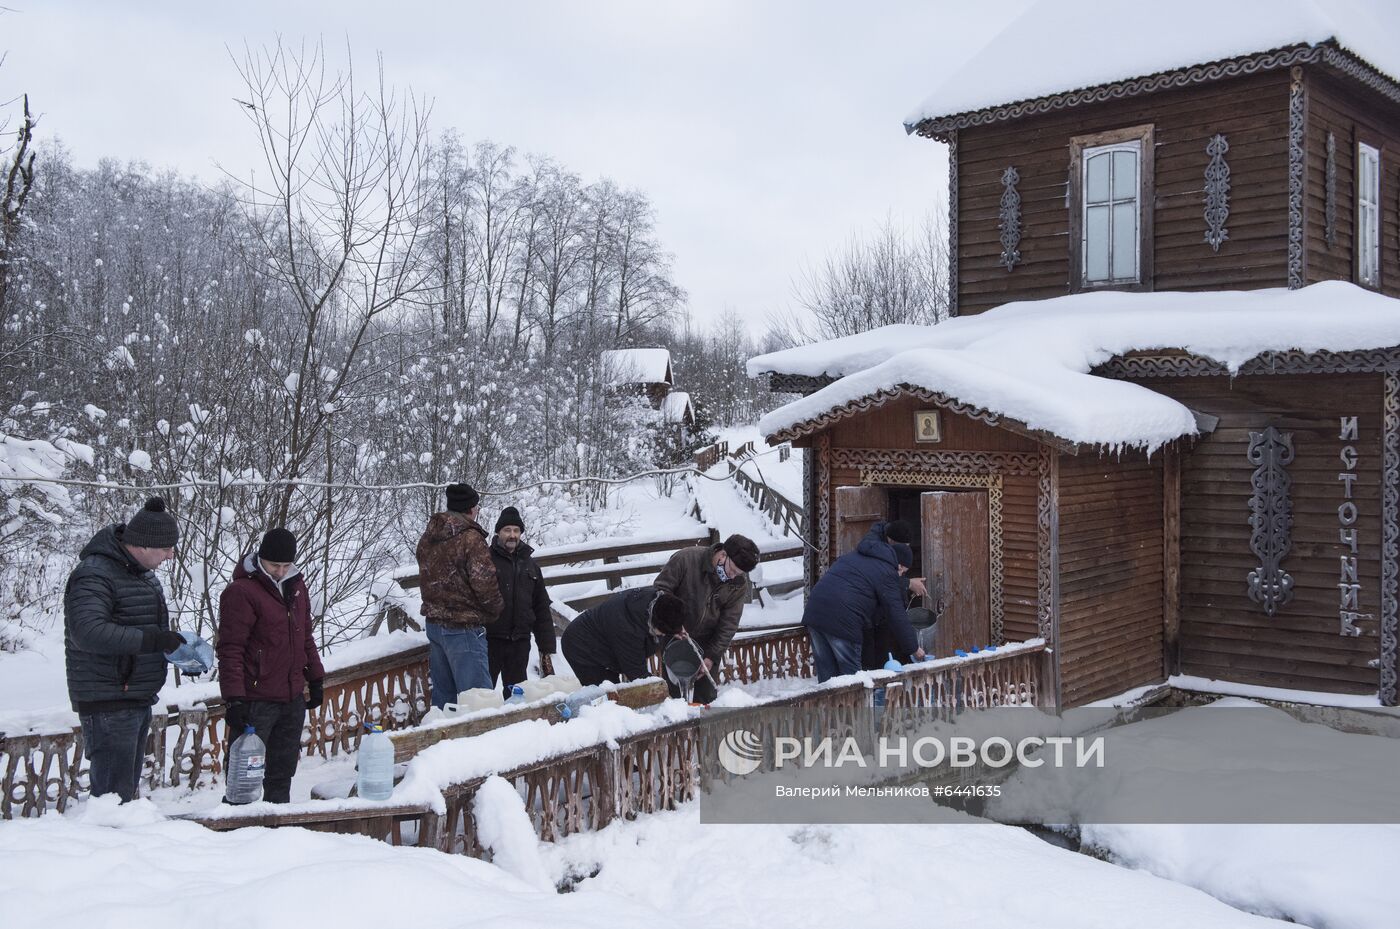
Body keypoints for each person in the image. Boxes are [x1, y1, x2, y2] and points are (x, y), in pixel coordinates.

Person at [63, 496, 185, 802]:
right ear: (143, 545)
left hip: (133, 697)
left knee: (125, 796)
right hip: (108, 701)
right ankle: (105, 845)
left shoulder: (141, 574)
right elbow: (88, 632)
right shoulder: (95, 574)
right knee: (111, 800)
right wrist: (153, 640)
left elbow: (141, 626)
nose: (171, 555)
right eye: (166, 547)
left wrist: (173, 646)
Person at [216, 528, 326, 804]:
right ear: (261, 559)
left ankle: (277, 832)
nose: (279, 571)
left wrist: (315, 677)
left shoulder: (296, 586)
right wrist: (234, 699)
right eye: (274, 565)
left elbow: (304, 636)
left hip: (291, 697)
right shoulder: (241, 591)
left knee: (282, 772)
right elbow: (230, 649)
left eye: (285, 565)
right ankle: (235, 832)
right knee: (244, 775)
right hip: (256, 699)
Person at [416, 482, 504, 708]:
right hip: (463, 628)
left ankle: (445, 741)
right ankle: (480, 743)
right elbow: (484, 583)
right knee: (477, 702)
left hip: (434, 625)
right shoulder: (470, 539)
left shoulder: (428, 537)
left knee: (445, 701)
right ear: (471, 508)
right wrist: (495, 610)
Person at [803, 520, 925, 682]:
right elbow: (896, 614)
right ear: (900, 565)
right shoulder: (887, 571)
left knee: (828, 679)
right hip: (843, 621)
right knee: (853, 681)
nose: (901, 575)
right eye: (903, 571)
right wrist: (914, 648)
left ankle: (828, 707)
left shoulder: (857, 555)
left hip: (815, 613)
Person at [653, 533, 759, 701]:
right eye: (732, 570)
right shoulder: (686, 559)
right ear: (723, 554)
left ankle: (703, 725)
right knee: (676, 698)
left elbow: (729, 623)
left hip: (707, 642)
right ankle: (678, 725)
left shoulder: (737, 584)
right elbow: (660, 591)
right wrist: (671, 624)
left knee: (706, 696)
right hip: (675, 636)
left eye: (738, 574)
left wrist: (712, 656)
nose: (733, 576)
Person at [486, 506, 556, 701]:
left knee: (517, 696)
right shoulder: (485, 560)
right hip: (489, 641)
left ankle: (515, 729)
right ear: (498, 532)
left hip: (519, 641)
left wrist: (546, 646)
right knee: (483, 696)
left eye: (516, 531)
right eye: (507, 530)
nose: (512, 535)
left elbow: (541, 606)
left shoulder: (530, 565)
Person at [560, 587, 689, 687]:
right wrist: (661, 689)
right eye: (663, 632)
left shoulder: (655, 600)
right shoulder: (628, 628)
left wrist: (674, 629)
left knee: (616, 692)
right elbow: (636, 672)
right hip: (581, 647)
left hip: (604, 640)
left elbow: (666, 615)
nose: (663, 635)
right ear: (655, 624)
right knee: (607, 694)